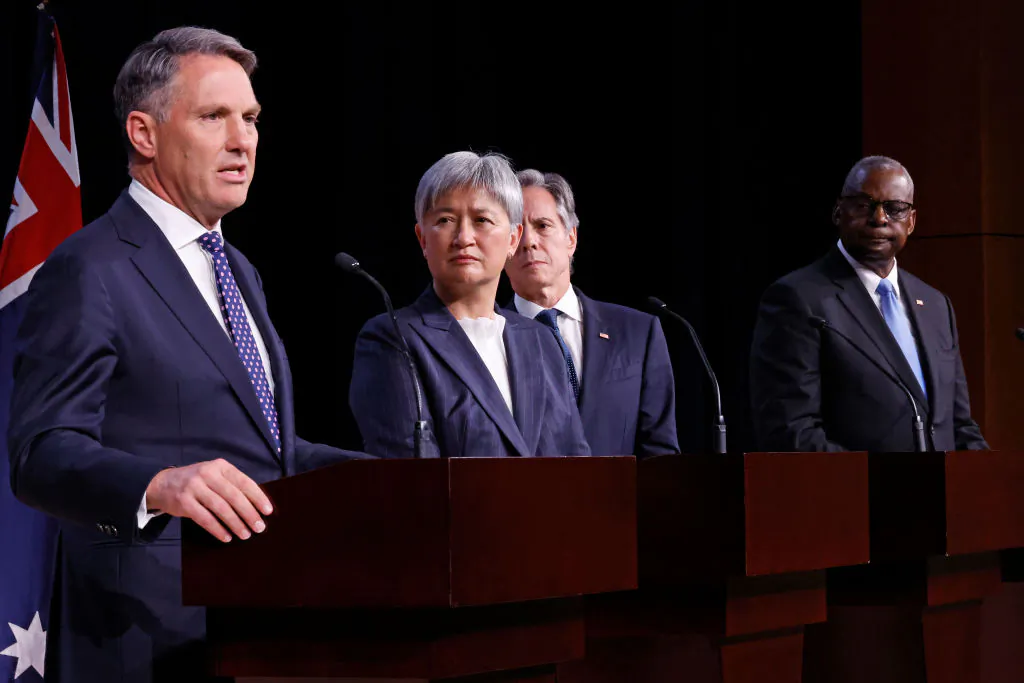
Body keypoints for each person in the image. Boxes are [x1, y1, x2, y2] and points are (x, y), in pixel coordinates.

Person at [6, 26, 369, 683]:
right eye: (214, 117)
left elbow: (269, 450)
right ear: (144, 134)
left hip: (261, 622)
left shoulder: (240, 270)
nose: (243, 140)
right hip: (144, 635)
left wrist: (393, 480)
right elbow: (41, 452)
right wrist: (158, 483)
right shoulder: (90, 267)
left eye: (251, 118)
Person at [349, 151, 591, 459]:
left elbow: (577, 464)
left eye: (482, 220)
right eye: (445, 220)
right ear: (423, 239)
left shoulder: (541, 340)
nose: (464, 237)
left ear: (513, 239)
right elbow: (409, 480)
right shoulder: (392, 339)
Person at [749, 155, 988, 452]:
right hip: (855, 494)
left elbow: (959, 425)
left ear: (911, 221)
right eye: (864, 205)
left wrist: (993, 488)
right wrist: (877, 483)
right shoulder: (798, 299)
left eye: (895, 208)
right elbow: (790, 431)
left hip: (941, 494)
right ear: (838, 212)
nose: (879, 218)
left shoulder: (937, 306)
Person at [504, 169, 678, 457]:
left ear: (571, 238)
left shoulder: (638, 333)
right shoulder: (489, 336)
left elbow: (660, 455)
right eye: (517, 231)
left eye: (543, 226)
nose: (529, 241)